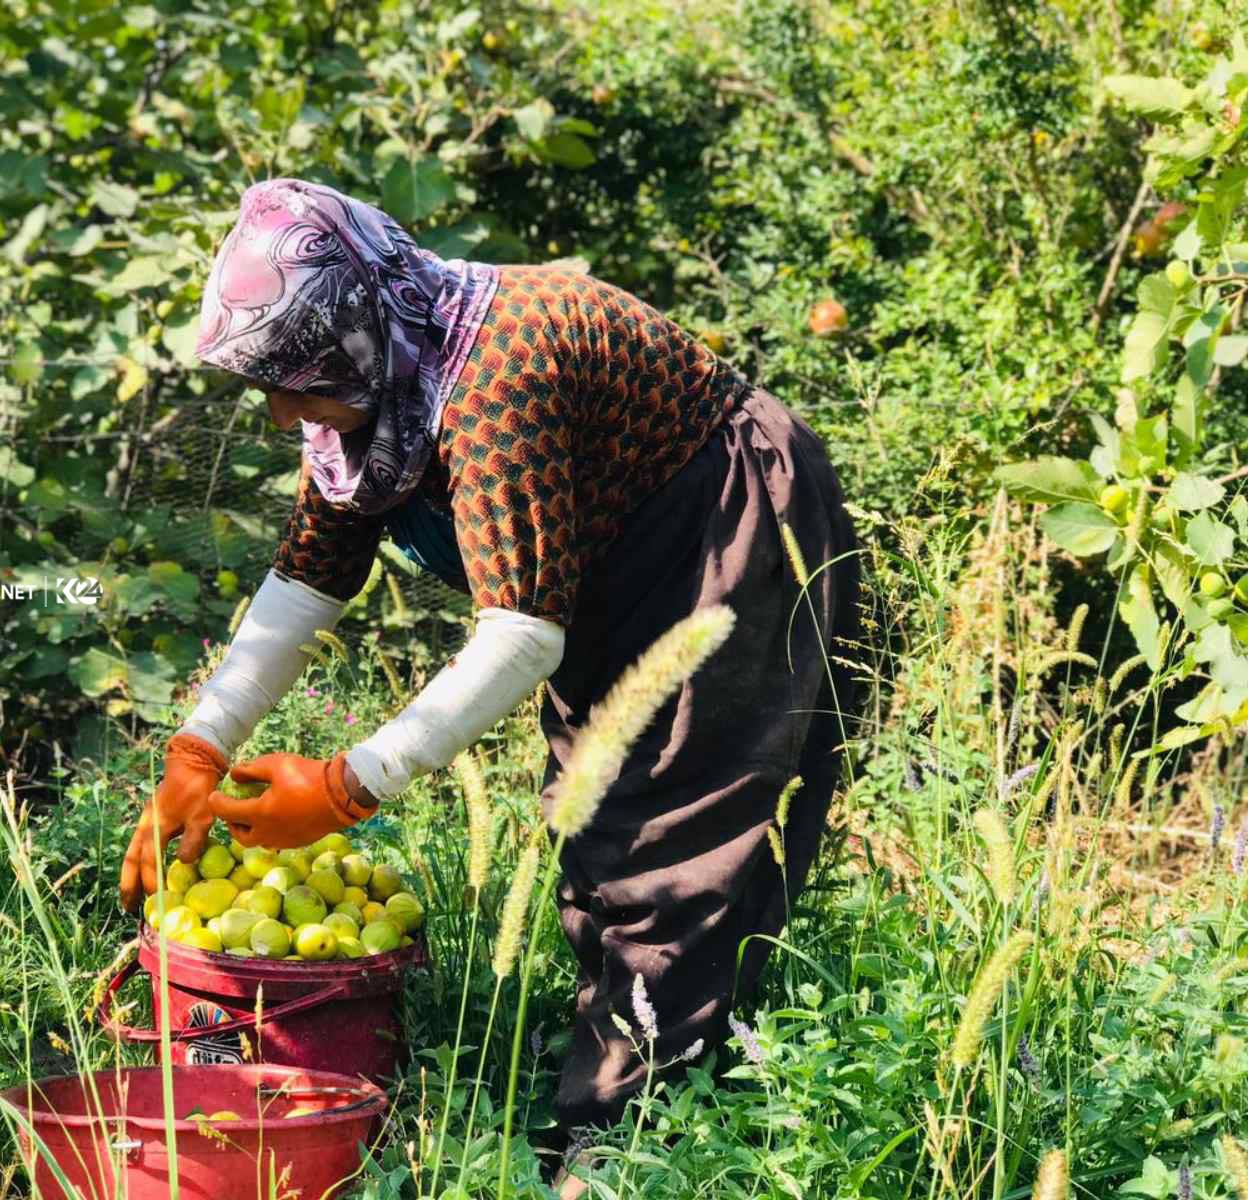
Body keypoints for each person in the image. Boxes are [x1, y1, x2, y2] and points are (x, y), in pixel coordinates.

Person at [117, 177, 860, 1185]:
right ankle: (638, 1098)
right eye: (271, 385)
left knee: (665, 842)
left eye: (298, 380)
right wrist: (198, 749)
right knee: (597, 827)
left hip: (719, 528)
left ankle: (624, 1153)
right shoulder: (378, 383)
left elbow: (518, 638)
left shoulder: (492, 381)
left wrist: (347, 788)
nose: (286, 407)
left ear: (357, 330)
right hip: (617, 559)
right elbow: (308, 574)